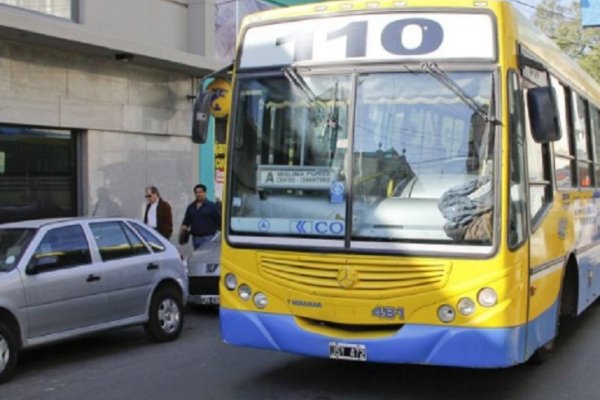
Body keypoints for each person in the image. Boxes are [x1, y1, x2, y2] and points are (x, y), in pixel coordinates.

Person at [180, 184, 222, 250]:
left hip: (208, 238)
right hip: (195, 238)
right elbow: (186, 221)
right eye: (196, 192)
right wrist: (182, 232)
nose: (198, 194)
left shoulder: (212, 206)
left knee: (205, 257)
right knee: (197, 258)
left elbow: (220, 221)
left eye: (200, 192)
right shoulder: (191, 207)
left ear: (205, 193)